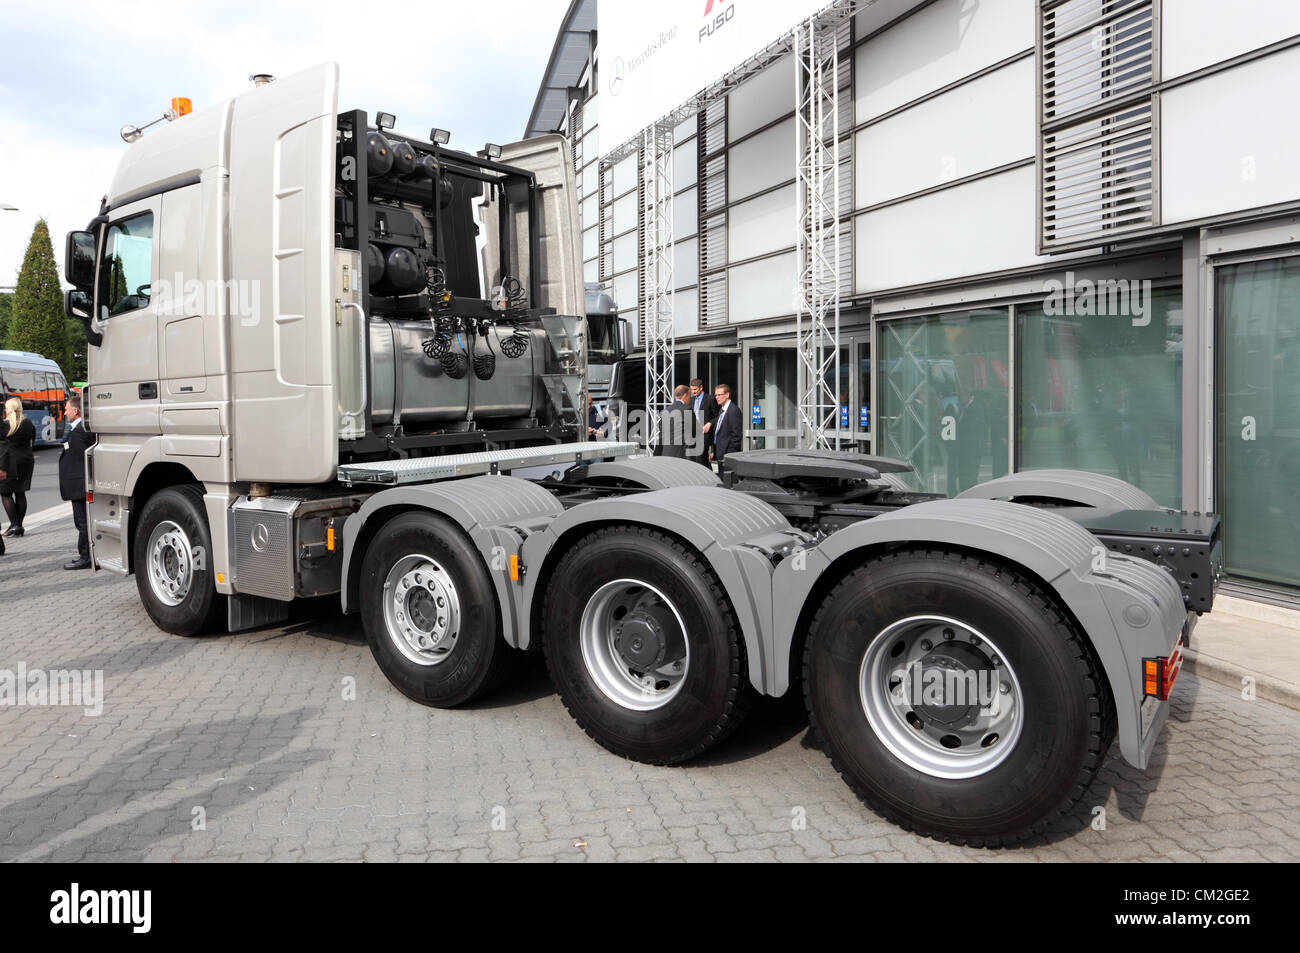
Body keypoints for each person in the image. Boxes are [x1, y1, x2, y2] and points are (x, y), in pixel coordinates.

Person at [59, 393, 95, 570]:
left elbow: (85, 458)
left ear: (76, 411)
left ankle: (85, 557)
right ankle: (86, 555)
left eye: (67, 410)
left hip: (80, 484)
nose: (65, 413)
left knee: (82, 522)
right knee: (82, 521)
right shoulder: (80, 429)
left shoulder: (79, 431)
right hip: (80, 483)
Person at [0, 397, 35, 538]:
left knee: (6, 493)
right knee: (20, 493)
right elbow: (32, 440)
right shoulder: (28, 422)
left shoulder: (5, 424)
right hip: (26, 461)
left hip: (9, 463)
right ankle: (18, 526)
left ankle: (14, 524)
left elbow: (3, 447)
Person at [710, 384, 742, 471]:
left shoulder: (733, 410)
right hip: (719, 454)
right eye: (715, 395)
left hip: (727, 456)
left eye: (719, 395)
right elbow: (719, 434)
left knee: (727, 478)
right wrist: (714, 452)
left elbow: (736, 436)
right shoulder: (722, 410)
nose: (716, 397)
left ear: (727, 395)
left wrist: (729, 455)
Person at [657, 385, 695, 459]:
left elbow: (662, 434)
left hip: (667, 453)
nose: (690, 399)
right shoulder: (687, 410)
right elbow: (694, 431)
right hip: (682, 455)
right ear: (685, 395)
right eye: (689, 396)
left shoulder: (666, 410)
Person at [688, 378, 719, 468]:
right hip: (692, 436)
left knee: (702, 460)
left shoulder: (710, 399)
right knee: (693, 461)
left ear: (701, 387)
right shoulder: (691, 400)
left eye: (695, 389)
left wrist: (710, 423)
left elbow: (718, 416)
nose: (693, 392)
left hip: (705, 435)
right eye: (692, 389)